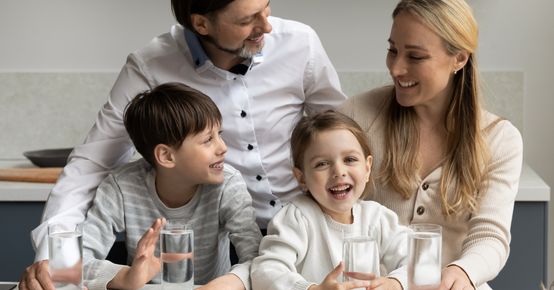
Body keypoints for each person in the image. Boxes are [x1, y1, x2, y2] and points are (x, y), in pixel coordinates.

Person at [21, 0, 345, 289]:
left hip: (303, 233)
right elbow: (92, 166)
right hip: (224, 246)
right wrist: (56, 267)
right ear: (201, 23)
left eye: (267, 7)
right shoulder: (150, 66)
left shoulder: (301, 43)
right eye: (247, 19)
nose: (267, 26)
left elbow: (340, 137)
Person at [337, 1, 523, 290]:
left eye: (416, 56)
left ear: (459, 59)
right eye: (393, 50)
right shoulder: (355, 117)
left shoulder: (500, 139)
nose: (396, 68)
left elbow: (490, 236)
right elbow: (324, 215)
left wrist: (462, 271)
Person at [80, 83, 262, 290]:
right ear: (166, 156)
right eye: (208, 140)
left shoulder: (228, 185)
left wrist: (230, 283)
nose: (223, 147)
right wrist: (128, 277)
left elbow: (258, 258)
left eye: (219, 134)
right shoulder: (122, 186)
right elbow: (76, 261)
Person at [251, 110, 410, 290]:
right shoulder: (296, 218)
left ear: (367, 169)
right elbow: (265, 272)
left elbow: (416, 260)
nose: (339, 171)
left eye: (349, 159)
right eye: (322, 164)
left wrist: (396, 283)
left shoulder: (377, 217)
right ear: (302, 178)